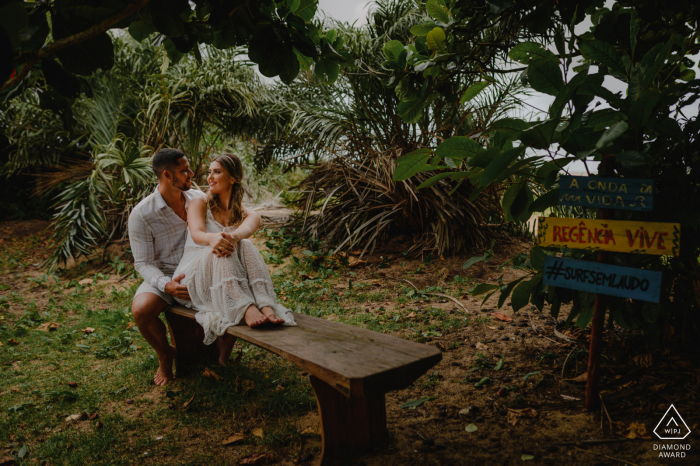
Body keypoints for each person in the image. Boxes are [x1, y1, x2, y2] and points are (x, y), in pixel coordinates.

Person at [172, 154, 295, 361]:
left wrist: (233, 237)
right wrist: (214, 239)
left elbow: (245, 231)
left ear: (233, 178)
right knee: (221, 247)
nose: (210, 177)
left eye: (217, 172)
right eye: (209, 172)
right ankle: (245, 307)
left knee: (242, 243)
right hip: (192, 277)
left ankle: (264, 304)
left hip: (225, 276)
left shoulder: (249, 214)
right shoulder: (199, 203)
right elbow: (197, 234)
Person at [129, 148, 204, 386]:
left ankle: (217, 355)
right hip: (167, 275)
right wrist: (166, 285)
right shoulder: (142, 214)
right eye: (184, 170)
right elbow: (143, 263)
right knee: (141, 311)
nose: (191, 173)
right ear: (167, 176)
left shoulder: (198, 198)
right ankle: (164, 353)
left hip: (201, 271)